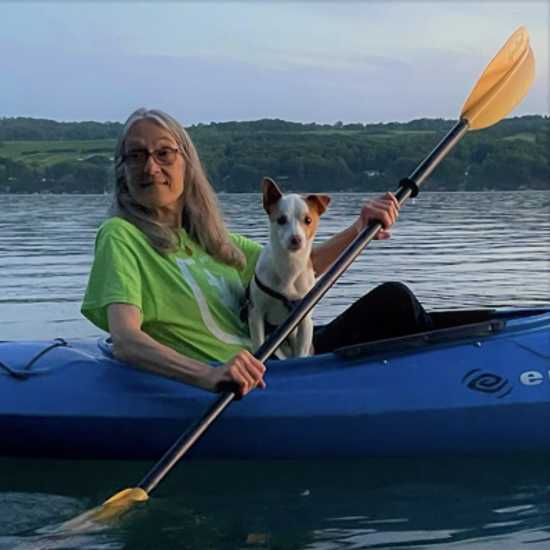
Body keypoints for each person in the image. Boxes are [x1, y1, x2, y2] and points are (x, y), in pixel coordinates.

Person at [82, 108, 430, 398]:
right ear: (123, 171)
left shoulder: (209, 239)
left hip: (280, 357)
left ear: (186, 164)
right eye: (136, 155)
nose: (150, 167)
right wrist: (208, 375)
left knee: (393, 301)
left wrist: (359, 227)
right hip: (249, 380)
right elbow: (126, 341)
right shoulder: (121, 235)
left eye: (164, 153)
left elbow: (303, 266)